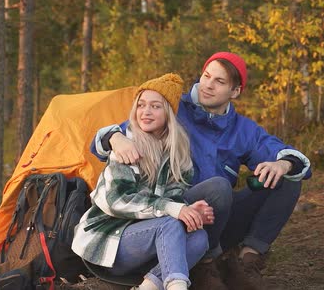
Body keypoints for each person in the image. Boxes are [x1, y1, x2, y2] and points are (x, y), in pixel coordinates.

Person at [90, 52, 312, 290]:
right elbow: (130, 126)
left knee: (288, 179)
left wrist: (283, 163)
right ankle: (205, 265)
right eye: (206, 76)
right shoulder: (175, 107)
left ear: (235, 91)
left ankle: (247, 259)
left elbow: (282, 153)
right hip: (174, 212)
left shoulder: (242, 129)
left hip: (217, 218)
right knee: (218, 186)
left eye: (220, 81)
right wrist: (115, 137)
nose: (208, 85)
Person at [72, 73, 222, 290]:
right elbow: (115, 200)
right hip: (108, 242)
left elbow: (170, 200)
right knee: (169, 223)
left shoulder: (177, 154)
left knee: (199, 239)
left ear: (169, 113)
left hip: (147, 238)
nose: (146, 112)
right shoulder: (125, 147)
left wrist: (189, 209)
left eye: (155, 106)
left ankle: (149, 286)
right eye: (141, 105)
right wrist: (175, 209)